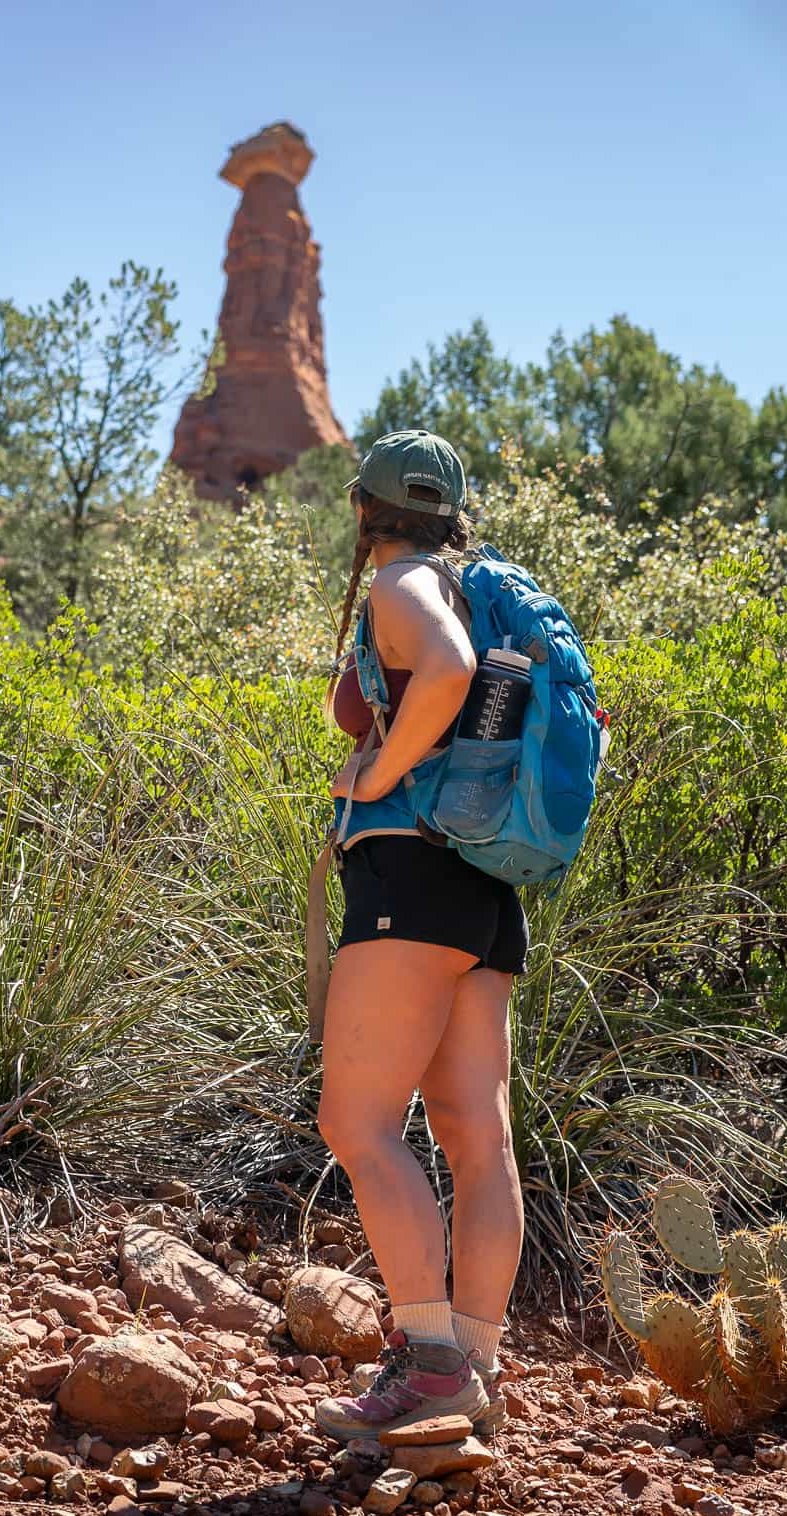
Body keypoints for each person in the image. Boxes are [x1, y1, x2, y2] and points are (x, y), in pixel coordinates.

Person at [314, 431, 527, 1442]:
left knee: (355, 1122)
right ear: (451, 513)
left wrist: (381, 773)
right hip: (484, 886)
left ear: (366, 510)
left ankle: (432, 1366)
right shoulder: (475, 590)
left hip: (408, 874)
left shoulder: (403, 586)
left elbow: (441, 672)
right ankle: (470, 1372)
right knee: (476, 1139)